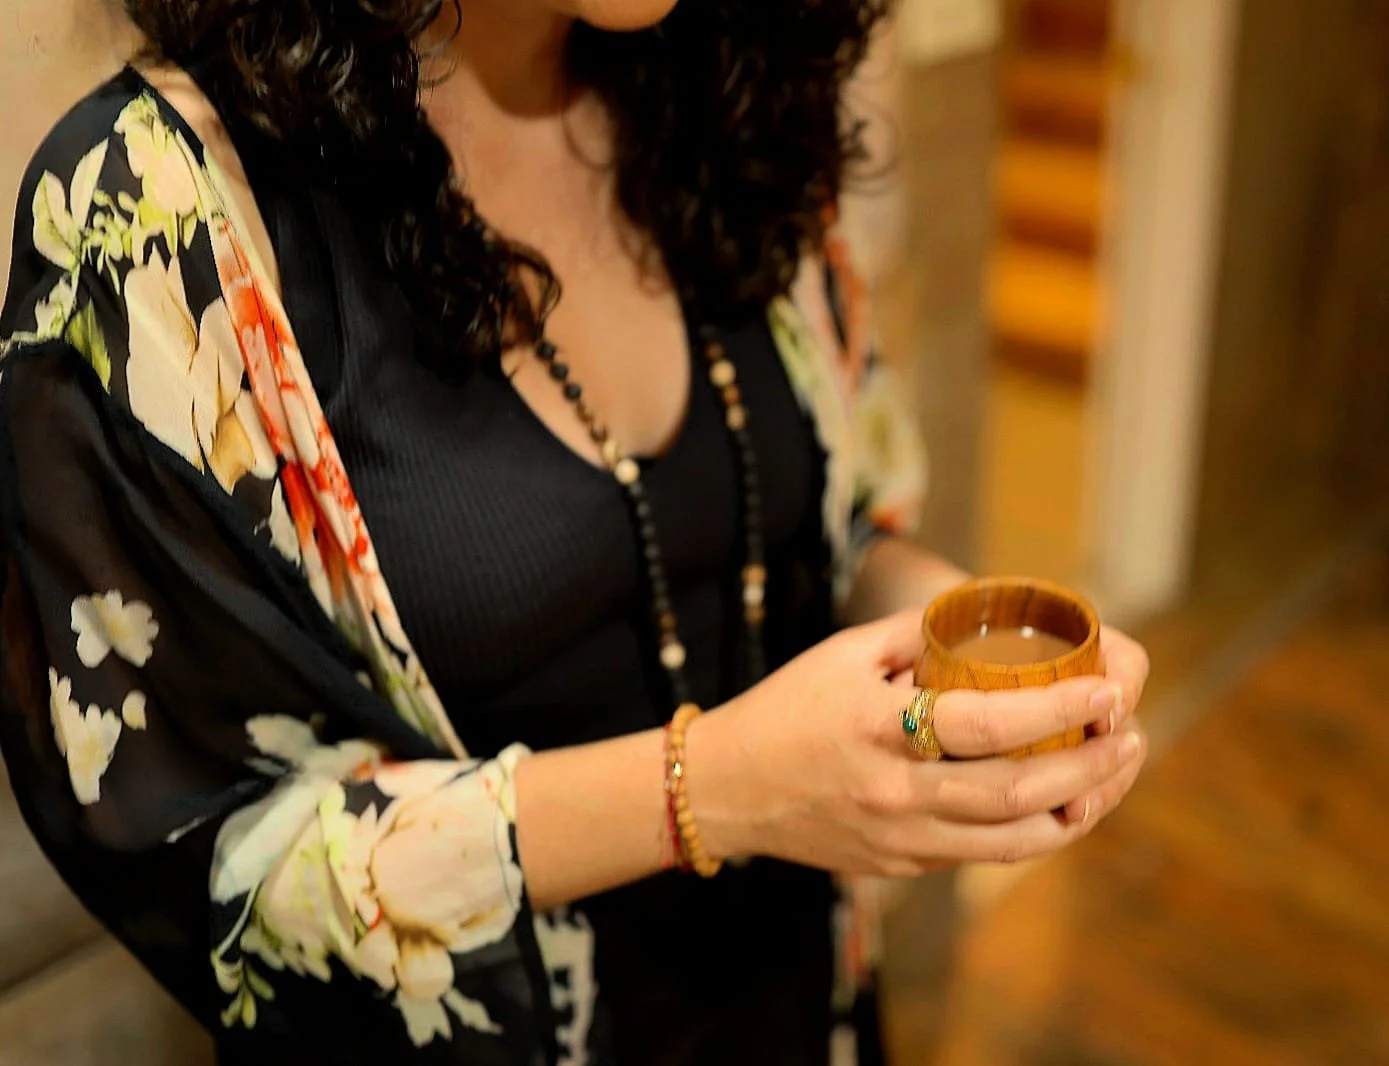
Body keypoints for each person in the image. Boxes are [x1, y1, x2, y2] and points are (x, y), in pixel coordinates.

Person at [0, 1, 1149, 1063]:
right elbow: (220, 861)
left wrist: (962, 641)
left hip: (802, 1009)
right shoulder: (156, 210)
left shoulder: (729, 78)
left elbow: (836, 525)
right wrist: (713, 789)